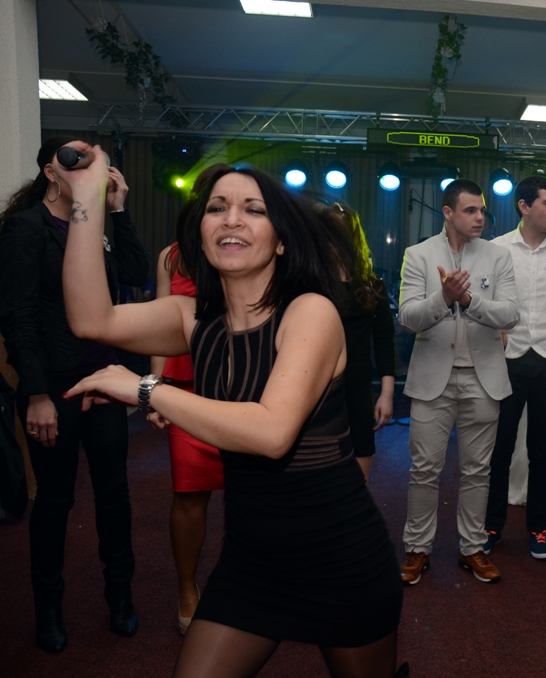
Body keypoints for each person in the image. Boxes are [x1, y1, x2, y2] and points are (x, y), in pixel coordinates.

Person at [57, 149, 403, 677]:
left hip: (339, 556)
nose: (232, 219)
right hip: (250, 560)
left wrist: (146, 388)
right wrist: (87, 197)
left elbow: (271, 432)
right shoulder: (192, 319)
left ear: (281, 240)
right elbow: (90, 318)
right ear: (200, 235)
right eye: (217, 208)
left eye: (253, 210)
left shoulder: (311, 311)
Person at [0, 135, 148, 653]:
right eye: (74, 162)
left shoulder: (95, 227)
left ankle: (120, 598)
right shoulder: (26, 228)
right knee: (55, 500)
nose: (87, 172)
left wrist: (118, 210)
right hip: (54, 389)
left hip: (102, 384)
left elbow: (137, 275)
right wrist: (37, 394)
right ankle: (48, 609)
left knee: (114, 494)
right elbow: (17, 316)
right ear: (50, 171)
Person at [397, 179, 519, 586]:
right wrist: (444, 298)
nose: (480, 217)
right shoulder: (418, 254)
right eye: (470, 210)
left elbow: (511, 314)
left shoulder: (498, 256)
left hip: (483, 380)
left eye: (481, 210)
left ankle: (472, 549)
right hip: (432, 378)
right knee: (424, 470)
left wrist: (468, 301)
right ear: (448, 213)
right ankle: (417, 549)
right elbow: (408, 318)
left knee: (478, 471)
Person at [485, 176, 546, 560]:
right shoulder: (496, 249)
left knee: (543, 451)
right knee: (498, 449)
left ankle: (539, 529)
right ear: (524, 207)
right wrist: (494, 329)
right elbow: (484, 302)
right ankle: (491, 526)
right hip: (506, 360)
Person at [150, 241, 224, 636]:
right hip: (186, 387)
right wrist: (153, 388)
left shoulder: (252, 244)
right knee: (190, 493)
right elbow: (160, 321)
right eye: (212, 209)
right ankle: (186, 588)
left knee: (256, 492)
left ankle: (251, 584)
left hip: (243, 383)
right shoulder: (171, 256)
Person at [318, 202, 396, 480]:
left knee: (361, 454)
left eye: (342, 233)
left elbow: (384, 341)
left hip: (358, 384)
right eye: (330, 232)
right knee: (320, 460)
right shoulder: (310, 282)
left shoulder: (372, 285)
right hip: (317, 383)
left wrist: (387, 394)